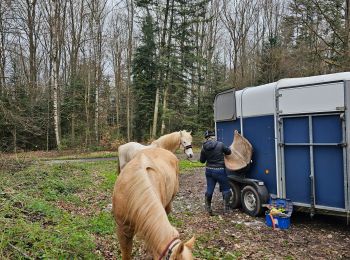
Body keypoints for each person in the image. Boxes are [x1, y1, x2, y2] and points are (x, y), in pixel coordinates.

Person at [200, 130, 232, 215]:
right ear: (214, 137)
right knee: (226, 189)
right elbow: (229, 152)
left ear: (206, 138)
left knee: (209, 189)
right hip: (220, 170)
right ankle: (227, 209)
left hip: (209, 171)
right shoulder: (220, 144)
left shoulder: (204, 147)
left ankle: (208, 208)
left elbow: (202, 161)